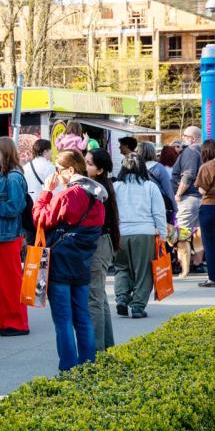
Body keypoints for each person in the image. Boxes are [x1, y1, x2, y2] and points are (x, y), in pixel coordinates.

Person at [34, 150, 105, 370]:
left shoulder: (68, 195)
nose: (56, 174)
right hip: (82, 263)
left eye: (58, 169)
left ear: (71, 170)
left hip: (61, 263)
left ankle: (68, 368)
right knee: (82, 317)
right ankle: (88, 364)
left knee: (63, 321)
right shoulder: (97, 197)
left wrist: (46, 192)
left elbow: (40, 218)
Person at [0, 136, 30, 337]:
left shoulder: (12, 177)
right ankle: (3, 321)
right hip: (4, 235)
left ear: (4, 151)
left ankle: (17, 323)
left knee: (10, 281)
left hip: (9, 236)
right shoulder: (7, 175)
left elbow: (15, 207)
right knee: (1, 282)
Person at [112, 153, 167, 319]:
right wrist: (162, 234)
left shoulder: (116, 186)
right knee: (143, 272)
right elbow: (159, 213)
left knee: (121, 268)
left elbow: (111, 212)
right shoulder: (150, 186)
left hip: (121, 233)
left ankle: (122, 297)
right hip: (145, 234)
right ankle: (137, 306)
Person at [83, 149, 118, 352]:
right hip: (104, 243)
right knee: (100, 297)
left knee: (94, 298)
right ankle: (106, 346)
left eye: (89, 163)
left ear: (100, 169)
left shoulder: (98, 190)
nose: (85, 166)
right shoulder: (102, 186)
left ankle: (96, 350)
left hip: (99, 244)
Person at [171, 126, 204, 278]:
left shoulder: (190, 152)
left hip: (188, 198)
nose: (182, 137)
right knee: (197, 234)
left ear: (192, 138)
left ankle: (184, 267)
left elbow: (188, 175)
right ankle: (195, 263)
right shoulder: (201, 151)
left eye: (184, 135)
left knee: (182, 235)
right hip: (197, 198)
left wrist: (178, 193)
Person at [194, 140, 215, 288]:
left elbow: (202, 190)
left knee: (210, 244)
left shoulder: (207, 167)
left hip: (209, 206)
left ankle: (213, 277)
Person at [139, 141, 176, 225]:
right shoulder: (159, 168)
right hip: (159, 204)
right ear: (153, 152)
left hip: (141, 205)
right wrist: (174, 208)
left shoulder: (135, 168)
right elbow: (168, 190)